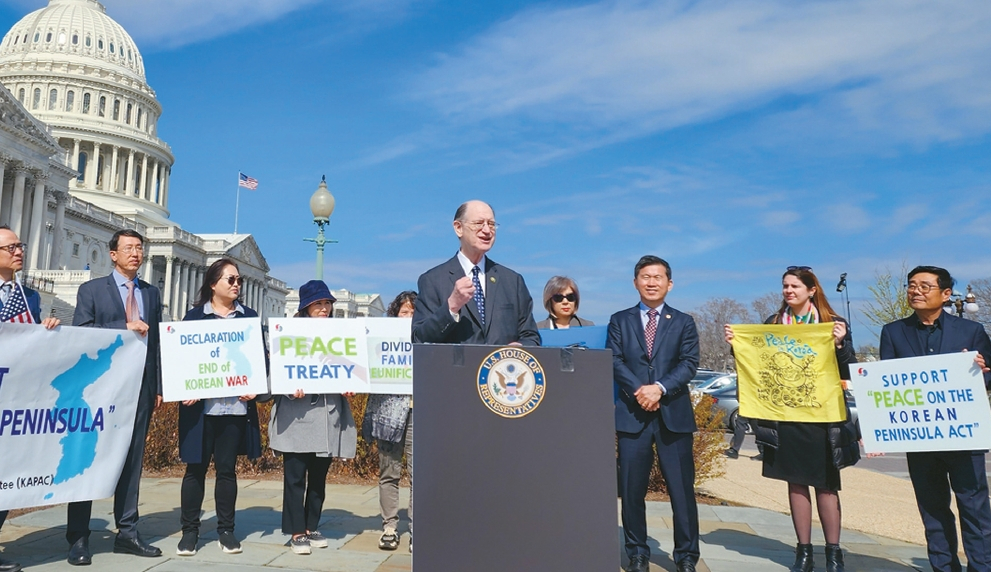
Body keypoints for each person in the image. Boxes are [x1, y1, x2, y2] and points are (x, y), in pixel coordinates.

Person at [724, 266, 859, 572]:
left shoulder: (832, 323)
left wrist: (840, 345)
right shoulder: (773, 323)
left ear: (812, 290)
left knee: (826, 485)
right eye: (785, 286)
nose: (788, 291)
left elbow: (849, 370)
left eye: (795, 286)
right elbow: (758, 364)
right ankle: (804, 551)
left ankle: (834, 553)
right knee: (795, 483)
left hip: (822, 418)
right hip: (784, 416)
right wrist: (737, 345)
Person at [880, 266, 991, 572]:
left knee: (975, 508)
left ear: (945, 294)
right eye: (911, 285)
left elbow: (989, 378)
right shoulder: (893, 332)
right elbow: (884, 384)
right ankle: (943, 567)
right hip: (920, 438)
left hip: (964, 436)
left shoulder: (971, 331)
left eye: (925, 286)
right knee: (932, 509)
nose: (915, 291)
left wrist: (984, 371)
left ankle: (982, 566)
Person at [65, 229, 163, 565]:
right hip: (99, 391)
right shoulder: (92, 290)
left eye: (139, 248)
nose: (136, 254)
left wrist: (159, 386)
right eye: (129, 248)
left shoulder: (151, 294)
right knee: (87, 461)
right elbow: (82, 333)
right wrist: (125, 327)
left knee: (132, 463)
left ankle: (128, 532)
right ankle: (78, 538)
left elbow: (157, 345)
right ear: (113, 254)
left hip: (139, 390)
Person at [609, 255, 700, 572]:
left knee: (681, 491)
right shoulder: (619, 320)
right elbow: (615, 360)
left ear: (669, 283)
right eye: (644, 276)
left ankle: (687, 555)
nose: (651, 282)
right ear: (635, 282)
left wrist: (659, 388)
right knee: (632, 491)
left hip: (673, 416)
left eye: (657, 277)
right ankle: (637, 552)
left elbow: (689, 363)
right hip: (633, 417)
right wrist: (641, 390)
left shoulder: (684, 322)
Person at [176, 258, 262, 556]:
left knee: (227, 471)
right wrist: (183, 388)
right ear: (213, 284)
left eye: (239, 280)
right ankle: (190, 532)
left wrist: (255, 385)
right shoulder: (193, 318)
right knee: (194, 470)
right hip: (200, 410)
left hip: (234, 410)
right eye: (231, 280)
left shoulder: (248, 317)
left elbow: (257, 359)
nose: (237, 284)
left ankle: (226, 530)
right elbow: (180, 360)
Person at [268, 279, 357, 555]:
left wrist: (351, 383)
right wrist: (286, 388)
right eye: (318, 303)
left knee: (318, 477)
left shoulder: (341, 336)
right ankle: (296, 531)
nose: (324, 309)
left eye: (327, 303)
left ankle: (312, 525)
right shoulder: (288, 334)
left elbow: (350, 368)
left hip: (327, 416)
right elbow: (274, 377)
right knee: (295, 477)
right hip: (297, 416)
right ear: (305, 308)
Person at [0, 225, 60, 572]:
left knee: (7, 479)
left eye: (20, 246)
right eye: (11, 247)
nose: (19, 251)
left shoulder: (30, 296)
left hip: (14, 404)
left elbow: (30, 344)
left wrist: (46, 328)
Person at [411, 200, 539, 347]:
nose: (487, 230)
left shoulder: (513, 281)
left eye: (491, 224)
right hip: (456, 370)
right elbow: (420, 339)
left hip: (501, 369)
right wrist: (451, 306)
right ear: (458, 228)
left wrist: (521, 347)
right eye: (479, 223)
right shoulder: (433, 280)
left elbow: (531, 336)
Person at [363, 291, 416, 553]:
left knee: (419, 475)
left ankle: (418, 530)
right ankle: (390, 527)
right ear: (394, 315)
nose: (408, 317)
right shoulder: (380, 338)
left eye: (413, 313)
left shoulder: (427, 339)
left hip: (419, 412)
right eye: (404, 312)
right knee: (389, 473)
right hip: (387, 413)